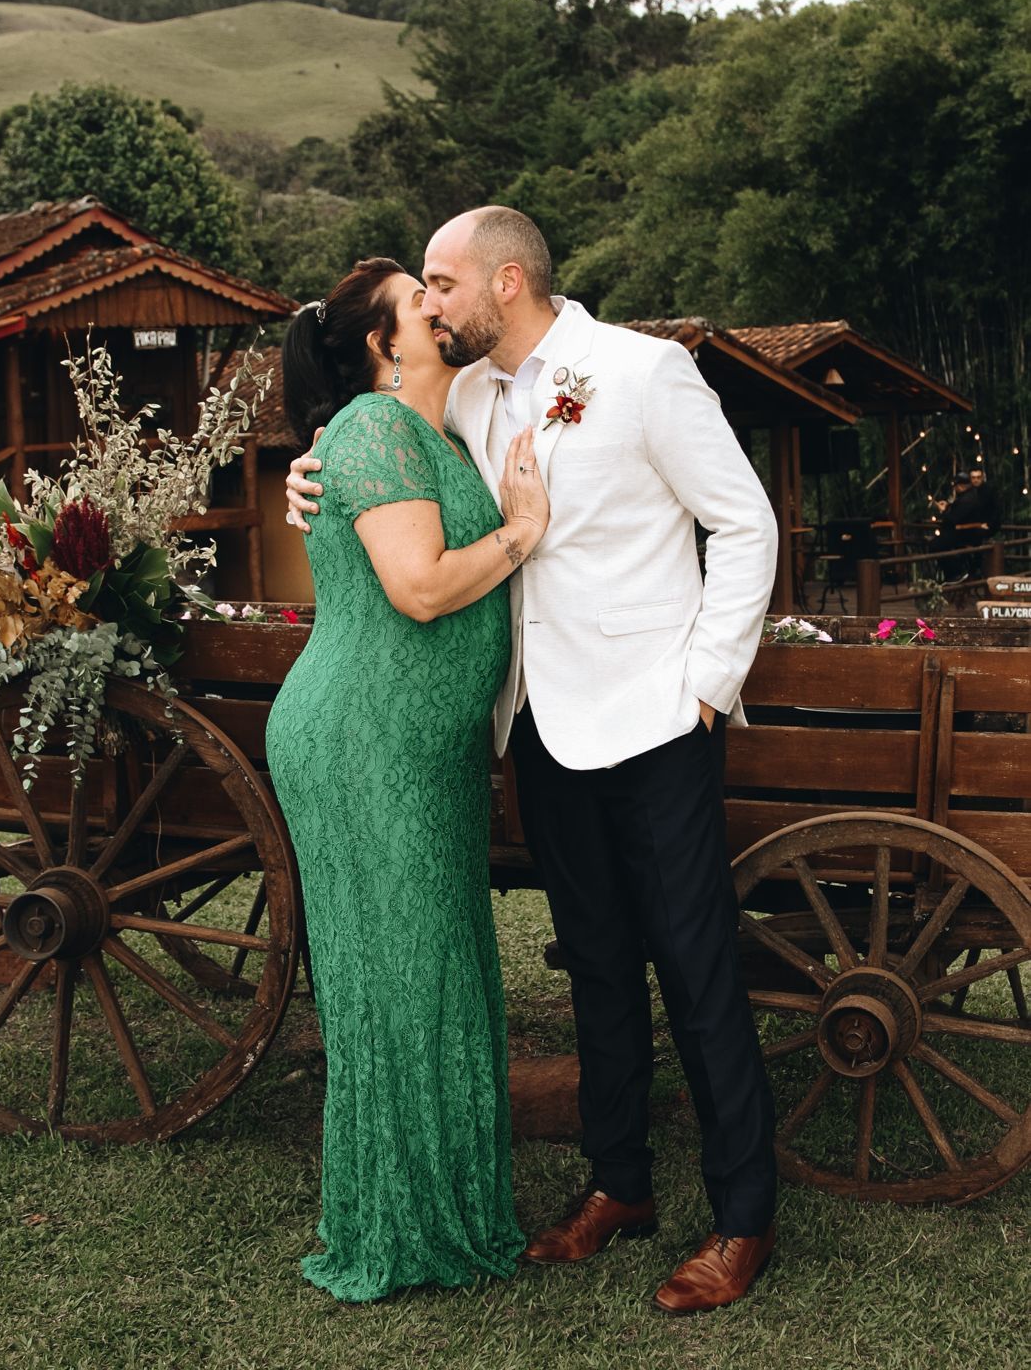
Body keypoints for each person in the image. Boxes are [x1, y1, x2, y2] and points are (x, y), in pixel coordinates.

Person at [286, 208, 780, 1316]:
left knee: (696, 977)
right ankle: (618, 1186)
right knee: (596, 965)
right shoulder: (462, 394)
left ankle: (741, 1216)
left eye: (440, 281)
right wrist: (303, 480)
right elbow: (369, 446)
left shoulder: (643, 371)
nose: (432, 300)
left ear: (504, 283)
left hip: (656, 725)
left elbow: (743, 525)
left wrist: (704, 686)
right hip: (542, 731)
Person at [266, 256, 549, 1302]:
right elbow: (420, 588)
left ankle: (449, 1207)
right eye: (416, 298)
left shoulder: (434, 419)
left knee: (434, 969)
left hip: (416, 746)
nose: (439, 305)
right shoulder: (379, 428)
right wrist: (520, 530)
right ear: (383, 344)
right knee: (397, 977)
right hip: (362, 739)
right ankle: (401, 1224)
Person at [969, 466, 1001, 535]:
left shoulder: (990, 490)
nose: (976, 480)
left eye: (978, 477)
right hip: (972, 527)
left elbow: (997, 509)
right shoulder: (968, 491)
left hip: (988, 527)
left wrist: (989, 524)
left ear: (982, 477)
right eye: (973, 478)